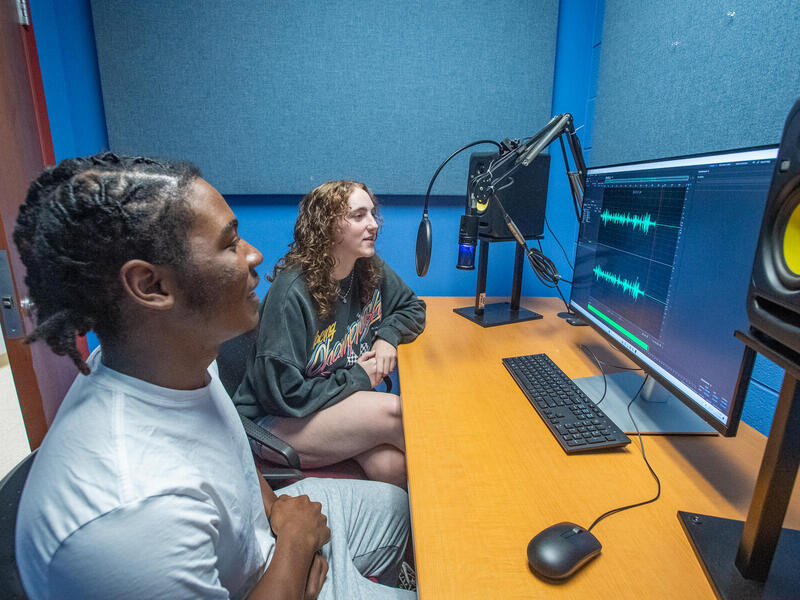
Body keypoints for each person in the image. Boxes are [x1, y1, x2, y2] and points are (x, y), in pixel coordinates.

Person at [14, 154, 416, 599]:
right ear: (152, 286)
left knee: (398, 504)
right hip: (277, 565)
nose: (255, 255)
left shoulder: (181, 362)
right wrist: (296, 550)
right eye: (230, 244)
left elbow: (233, 461)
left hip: (272, 540)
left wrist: (279, 513)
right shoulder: (130, 513)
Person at [234, 180, 426, 489]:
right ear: (328, 226)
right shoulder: (291, 294)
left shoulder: (368, 268)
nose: (374, 224)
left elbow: (412, 307)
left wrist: (387, 336)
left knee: (393, 467)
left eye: (373, 214)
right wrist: (360, 378)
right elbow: (286, 395)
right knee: (398, 413)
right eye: (358, 215)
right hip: (273, 423)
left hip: (332, 404)